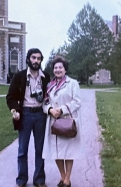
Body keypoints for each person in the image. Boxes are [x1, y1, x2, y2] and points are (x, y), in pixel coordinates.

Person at [6, 48, 50, 187]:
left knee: (40, 149)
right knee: (22, 150)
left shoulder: (46, 77)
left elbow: (51, 96)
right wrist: (15, 110)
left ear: (41, 60)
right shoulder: (19, 76)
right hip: (25, 114)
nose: (36, 61)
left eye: (38, 58)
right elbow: (10, 97)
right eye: (33, 58)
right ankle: (22, 180)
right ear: (28, 59)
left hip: (41, 115)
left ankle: (39, 180)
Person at [42, 56, 82, 187]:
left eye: (60, 67)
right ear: (53, 70)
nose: (58, 70)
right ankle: (63, 177)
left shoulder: (73, 83)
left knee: (69, 151)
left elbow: (77, 102)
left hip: (68, 121)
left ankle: (67, 179)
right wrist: (50, 109)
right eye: (55, 67)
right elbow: (44, 102)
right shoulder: (49, 85)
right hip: (54, 122)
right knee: (56, 151)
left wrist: (62, 109)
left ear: (65, 69)